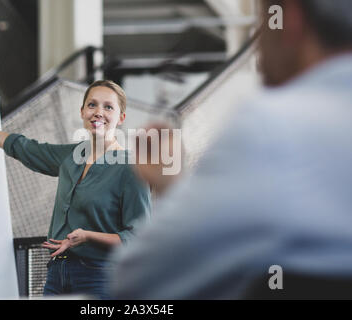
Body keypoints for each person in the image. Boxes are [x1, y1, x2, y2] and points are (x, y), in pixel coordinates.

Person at [110, 0, 352, 299]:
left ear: (290, 18)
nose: (258, 42)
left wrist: (169, 193)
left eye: (262, 23)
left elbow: (141, 279)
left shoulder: (272, 127)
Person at [0, 80, 151, 299]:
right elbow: (28, 149)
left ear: (121, 117)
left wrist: (89, 236)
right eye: (92, 105)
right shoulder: (71, 155)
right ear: (82, 112)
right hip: (56, 274)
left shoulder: (132, 168)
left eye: (108, 107)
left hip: (100, 277)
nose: (98, 112)